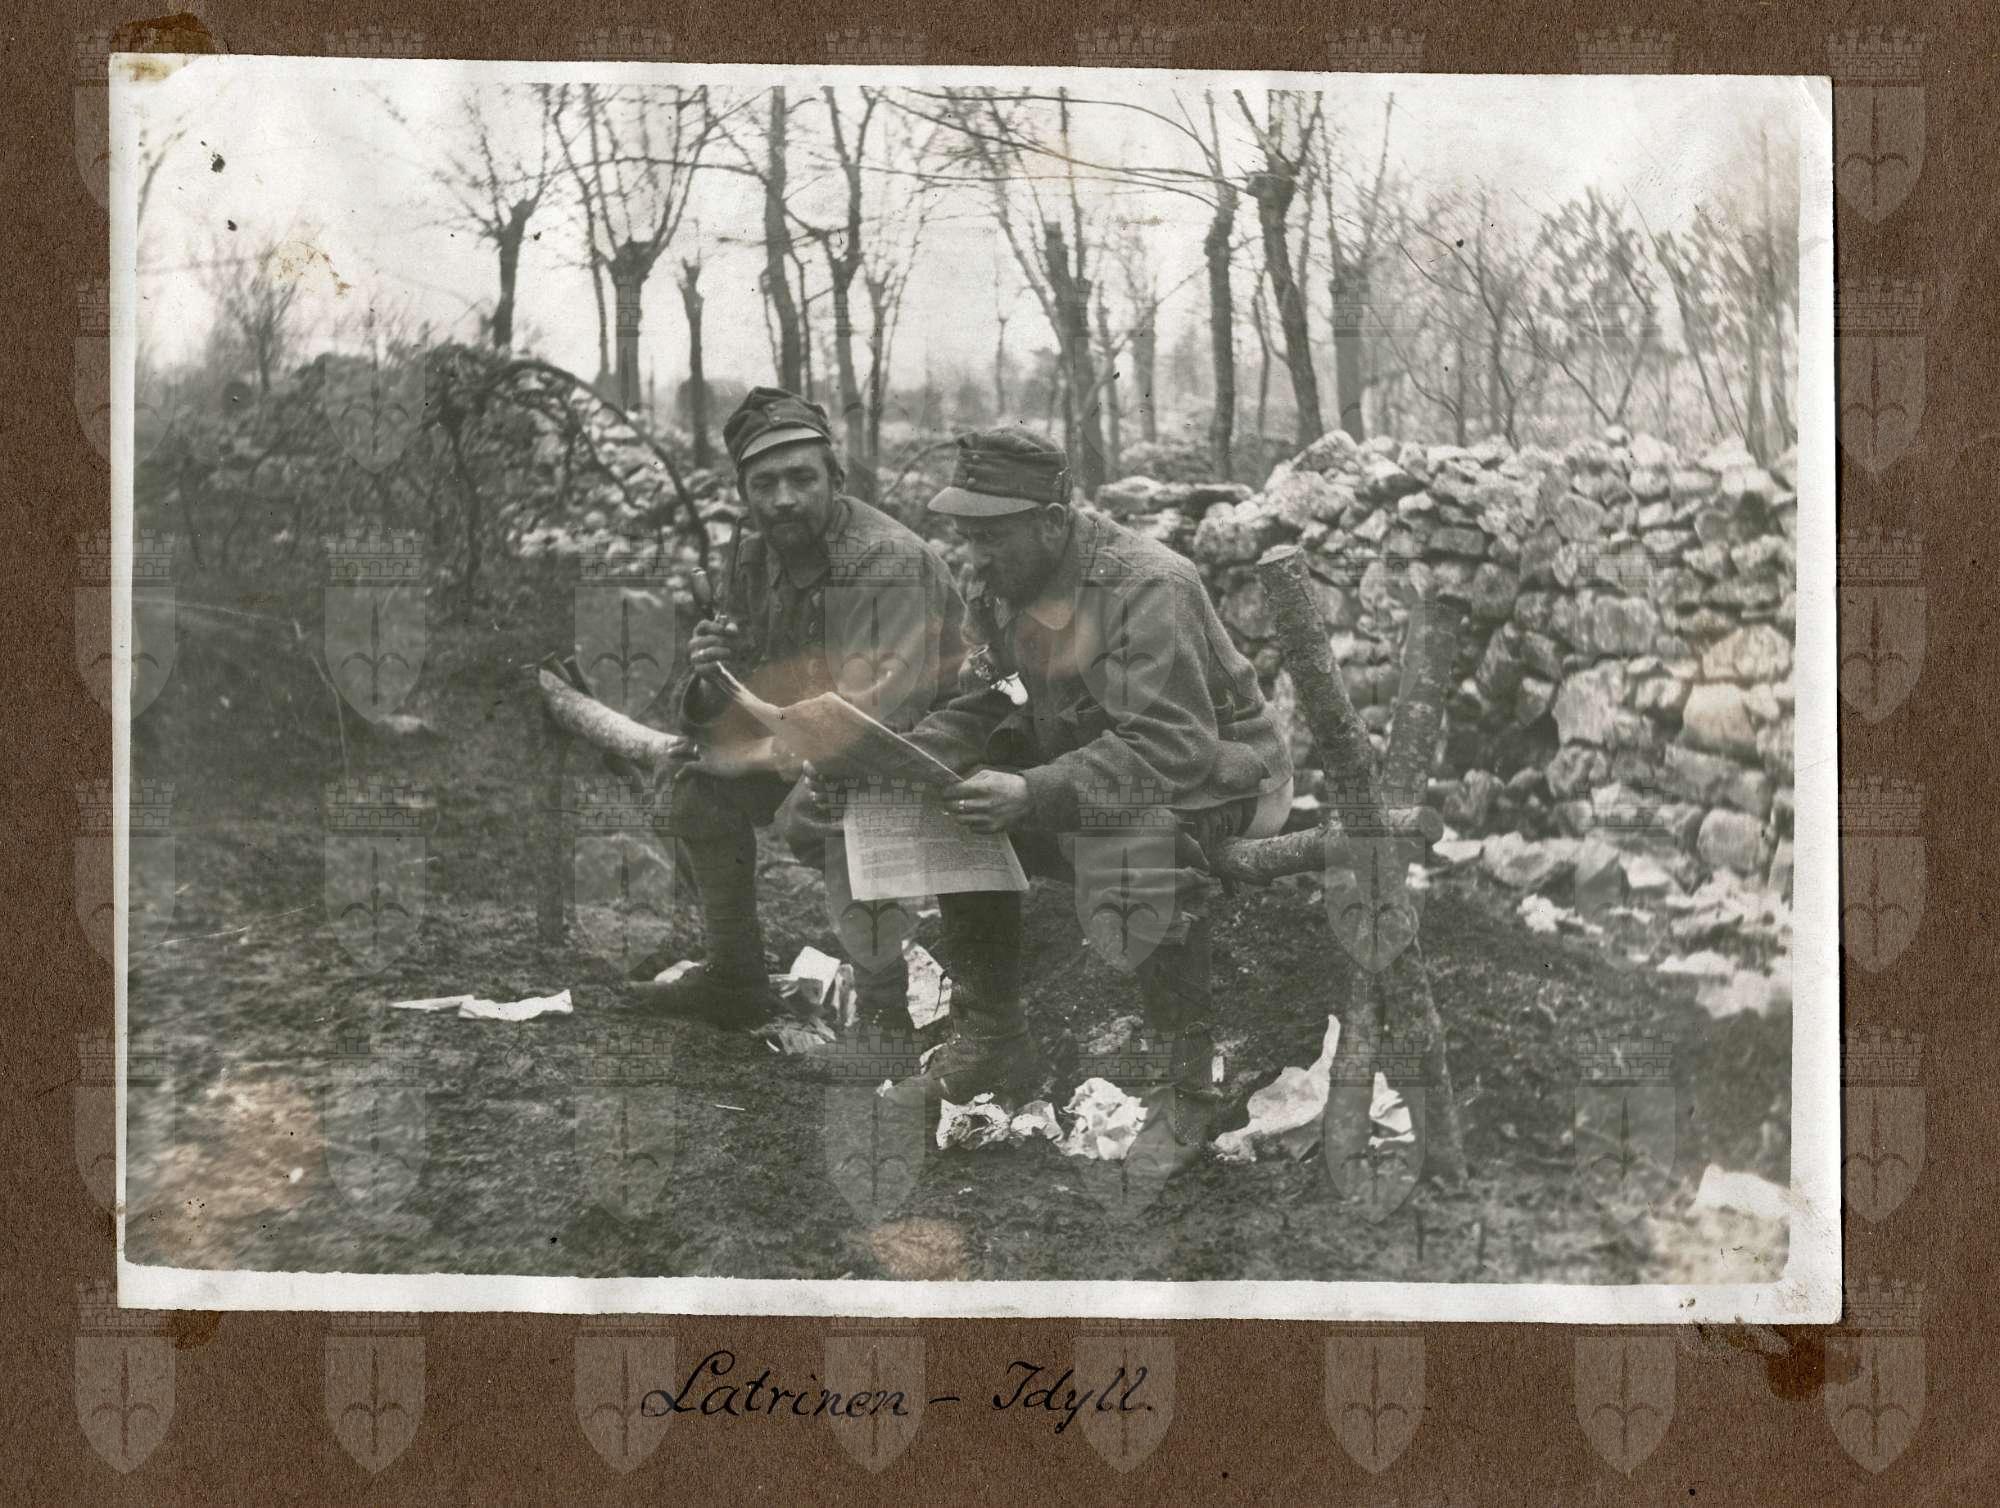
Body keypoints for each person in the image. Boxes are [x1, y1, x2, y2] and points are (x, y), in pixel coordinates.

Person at [812, 427, 1294, 1163]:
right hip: (1099, 754)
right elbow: (993, 698)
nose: (972, 559)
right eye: (965, 535)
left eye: (990, 537)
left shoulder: (1146, 585)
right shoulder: (1005, 582)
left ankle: (1188, 1087)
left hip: (1225, 772)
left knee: (1127, 837)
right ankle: (996, 1040)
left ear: (1050, 520)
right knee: (958, 803)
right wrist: (893, 760)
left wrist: (1034, 790)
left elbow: (1172, 743)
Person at [643, 386, 963, 1028]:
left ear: (836, 480)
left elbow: (879, 721)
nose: (783, 499)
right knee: (693, 788)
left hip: (934, 742)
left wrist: (752, 758)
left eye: (801, 478)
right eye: (763, 484)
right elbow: (740, 697)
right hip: (818, 736)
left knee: (832, 803)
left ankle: (886, 1013)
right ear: (744, 494)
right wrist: (709, 674)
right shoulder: (754, 555)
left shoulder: (885, 562)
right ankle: (735, 976)